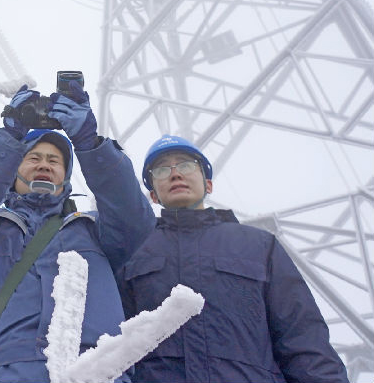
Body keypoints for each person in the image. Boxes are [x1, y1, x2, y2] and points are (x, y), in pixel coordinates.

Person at [0, 82, 155, 383]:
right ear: (12, 173)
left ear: (66, 178)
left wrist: (89, 143)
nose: (44, 164)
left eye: (54, 160)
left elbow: (134, 219)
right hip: (6, 372)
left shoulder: (94, 230)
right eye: (33, 158)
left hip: (95, 371)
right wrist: (9, 136)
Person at [119, 134, 350, 383]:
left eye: (186, 165)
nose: (175, 174)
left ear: (209, 185)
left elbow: (303, 339)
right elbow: (109, 345)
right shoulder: (132, 250)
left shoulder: (259, 246)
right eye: (162, 170)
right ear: (153, 195)